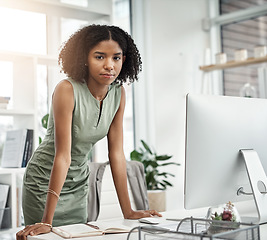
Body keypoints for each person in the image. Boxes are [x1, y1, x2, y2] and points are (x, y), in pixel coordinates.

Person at [16, 24, 161, 239]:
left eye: (116, 58)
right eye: (100, 57)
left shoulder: (118, 94)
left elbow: (117, 154)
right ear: (84, 57)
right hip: (45, 183)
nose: (109, 66)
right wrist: (46, 220)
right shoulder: (67, 90)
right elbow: (63, 155)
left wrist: (128, 211)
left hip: (78, 183)